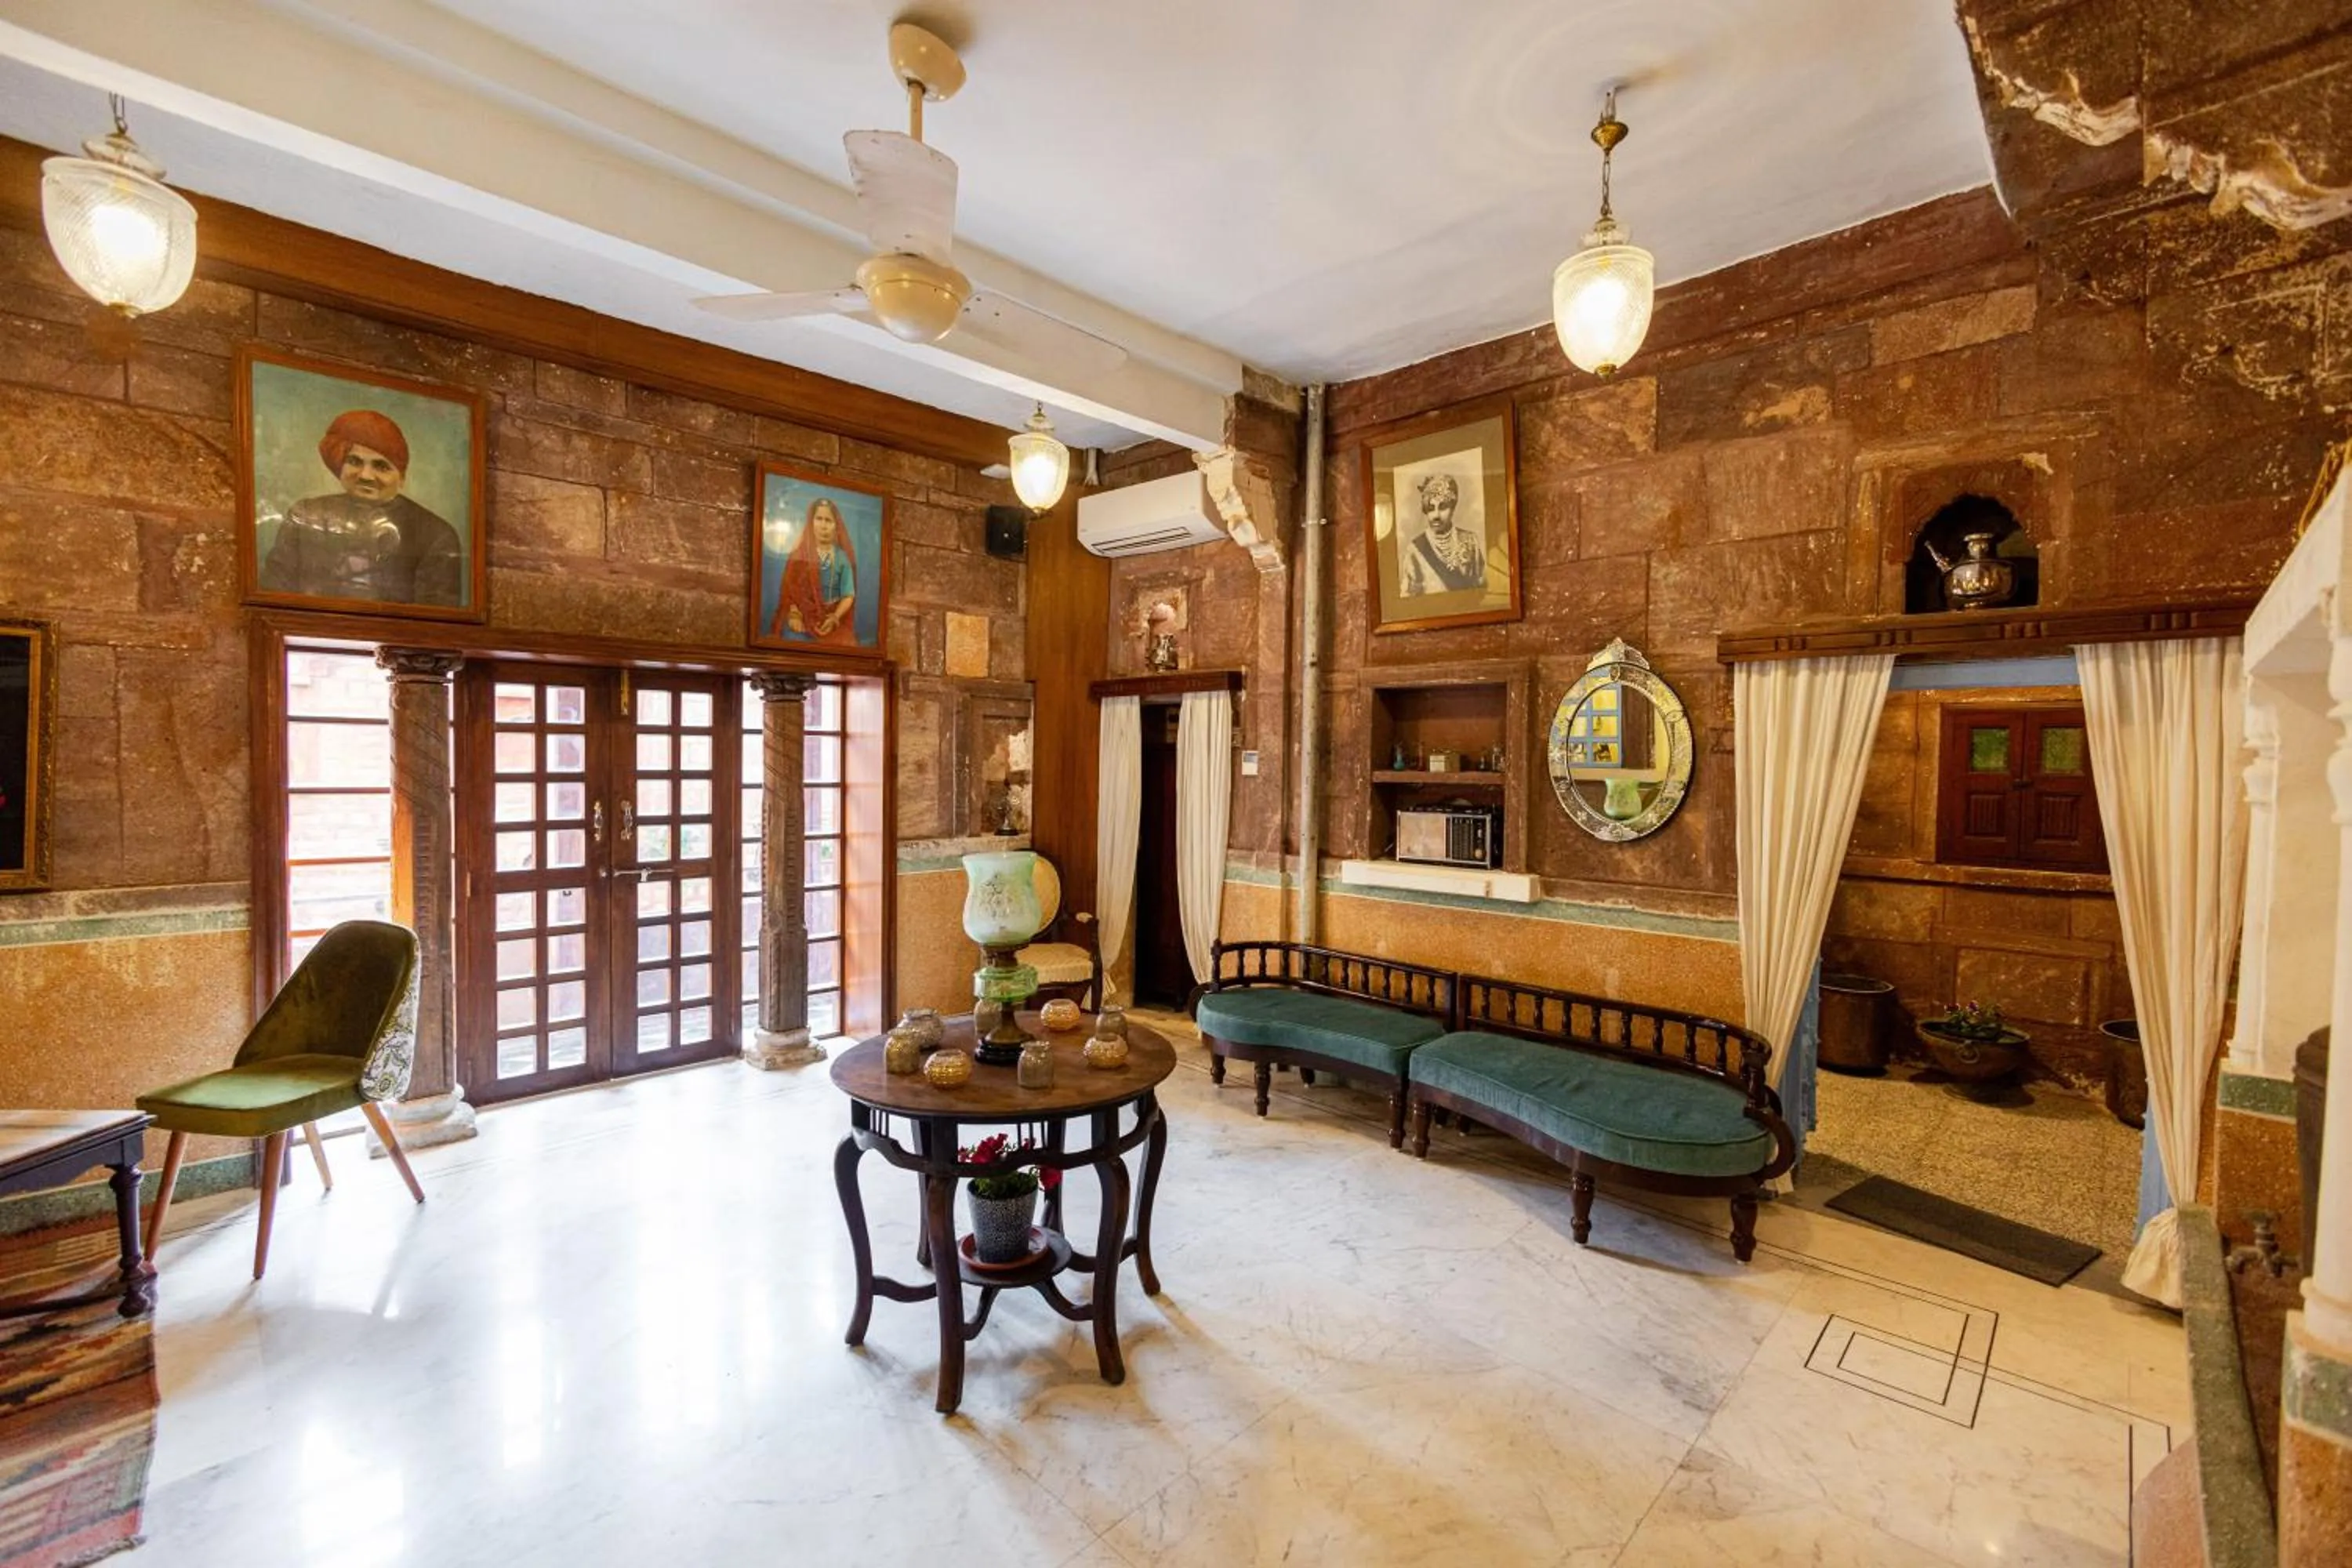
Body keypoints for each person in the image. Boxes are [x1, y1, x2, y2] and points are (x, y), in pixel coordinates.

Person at [258, 409, 466, 608]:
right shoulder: (306, 516)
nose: (366, 475)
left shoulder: (435, 535)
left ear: (401, 477)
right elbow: (273, 596)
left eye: (381, 466)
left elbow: (437, 621)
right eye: (354, 461)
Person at [769, 495, 858, 644]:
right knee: (792, 641)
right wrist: (794, 615)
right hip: (803, 618)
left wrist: (835, 617)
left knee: (848, 643)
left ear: (836, 525)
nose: (823, 526)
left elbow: (848, 595)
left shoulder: (842, 558)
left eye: (828, 521)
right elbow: (789, 591)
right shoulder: (800, 555)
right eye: (819, 519)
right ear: (811, 522)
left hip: (831, 619)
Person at [1399, 471, 1486, 597]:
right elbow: (1408, 600)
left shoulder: (1471, 541)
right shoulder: (1415, 550)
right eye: (1431, 509)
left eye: (1443, 507)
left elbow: (1482, 588)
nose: (1436, 516)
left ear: (1453, 507)